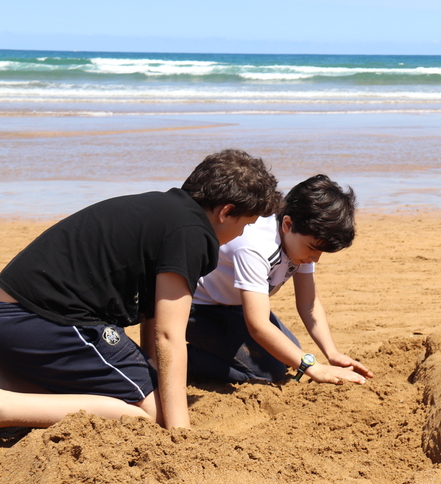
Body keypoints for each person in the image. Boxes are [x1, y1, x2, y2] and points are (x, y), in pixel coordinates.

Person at [0, 149, 280, 430]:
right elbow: (169, 334)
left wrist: (151, 372)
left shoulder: (168, 210)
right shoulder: (192, 233)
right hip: (45, 319)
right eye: (246, 225)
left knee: (151, 393)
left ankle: (13, 384)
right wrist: (180, 431)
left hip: (17, 317)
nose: (242, 234)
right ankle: (7, 407)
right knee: (150, 415)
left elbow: (155, 314)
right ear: (226, 212)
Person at [186, 174, 372, 385]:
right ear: (287, 224)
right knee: (267, 373)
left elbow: (308, 303)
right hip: (198, 307)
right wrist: (314, 367)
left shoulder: (300, 244)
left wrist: (332, 353)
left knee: (288, 355)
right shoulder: (255, 247)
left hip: (235, 303)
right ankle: (177, 358)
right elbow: (258, 325)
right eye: (313, 249)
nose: (315, 259)